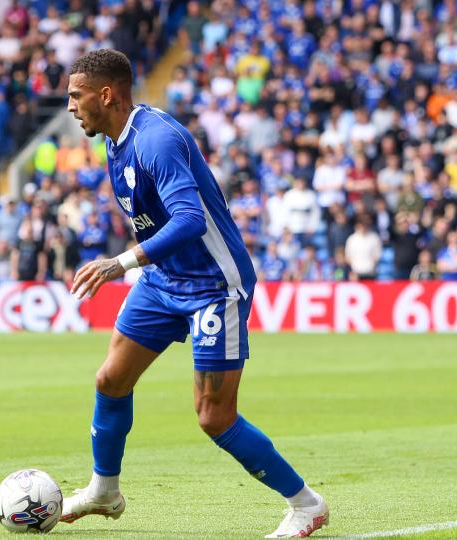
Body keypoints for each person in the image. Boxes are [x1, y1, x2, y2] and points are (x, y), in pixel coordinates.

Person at [61, 49, 328, 538]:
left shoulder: (156, 140)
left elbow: (190, 220)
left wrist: (118, 263)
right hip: (164, 279)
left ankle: (306, 503)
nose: (71, 107)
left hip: (212, 285)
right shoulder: (115, 140)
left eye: (76, 96)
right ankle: (104, 489)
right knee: (110, 380)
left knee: (213, 416)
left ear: (107, 94)